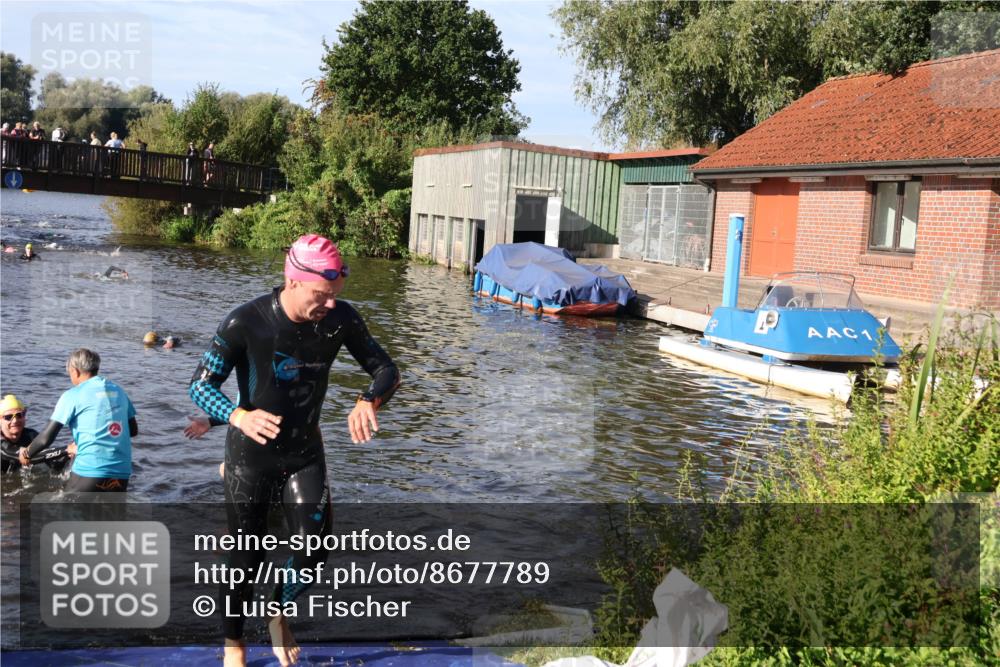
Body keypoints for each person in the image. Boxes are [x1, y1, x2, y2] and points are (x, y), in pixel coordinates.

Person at [188, 234, 400, 667]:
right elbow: (199, 385)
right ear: (292, 281)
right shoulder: (244, 322)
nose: (329, 304)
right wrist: (237, 416)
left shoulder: (340, 320)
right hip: (251, 455)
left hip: (305, 452)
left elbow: (386, 369)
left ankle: (276, 609)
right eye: (321, 295)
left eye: (335, 295)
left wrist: (368, 399)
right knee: (245, 554)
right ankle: (234, 646)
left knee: (315, 547)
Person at [21, 349, 138, 493]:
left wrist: (27, 453)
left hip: (89, 471)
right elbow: (133, 431)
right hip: (121, 473)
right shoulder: (118, 390)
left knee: (66, 512)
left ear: (75, 371)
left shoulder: (73, 395)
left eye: (69, 372)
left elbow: (46, 438)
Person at [1, 394, 74, 473]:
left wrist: (67, 456)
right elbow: (21, 455)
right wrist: (66, 450)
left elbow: (54, 465)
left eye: (19, 415)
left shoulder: (31, 436)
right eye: (8, 417)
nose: (15, 421)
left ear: (24, 416)